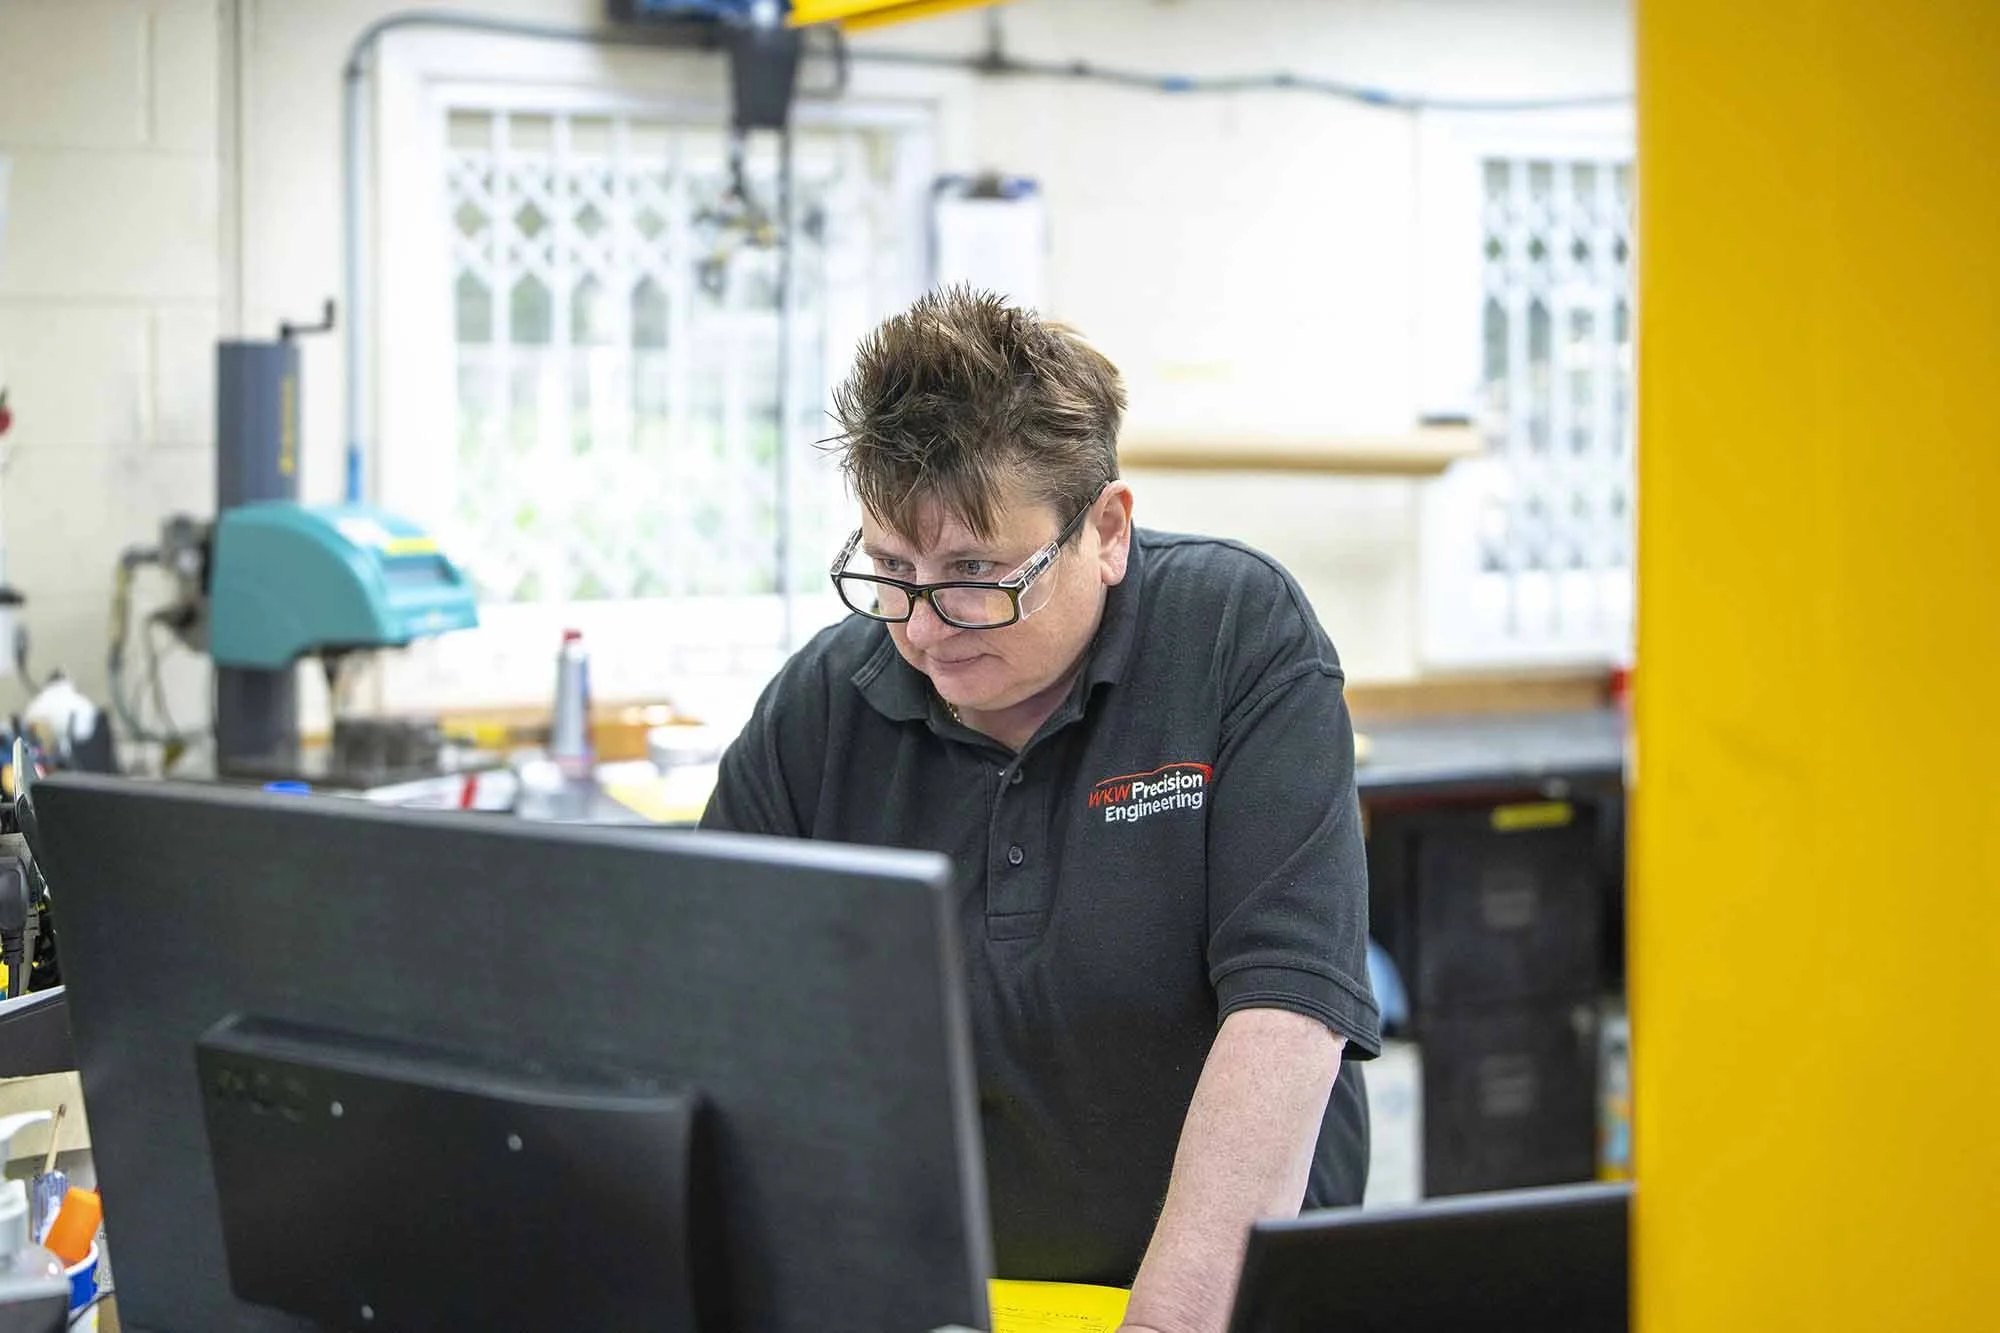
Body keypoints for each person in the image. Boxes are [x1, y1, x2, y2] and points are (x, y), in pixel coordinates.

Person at [701, 286, 1379, 1333]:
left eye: (974, 574)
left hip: (1215, 1298)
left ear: (1104, 530)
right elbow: (722, 1027)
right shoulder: (822, 706)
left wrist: (1167, 1323)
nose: (924, 629)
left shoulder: (1235, 636)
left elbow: (1287, 1012)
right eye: (890, 568)